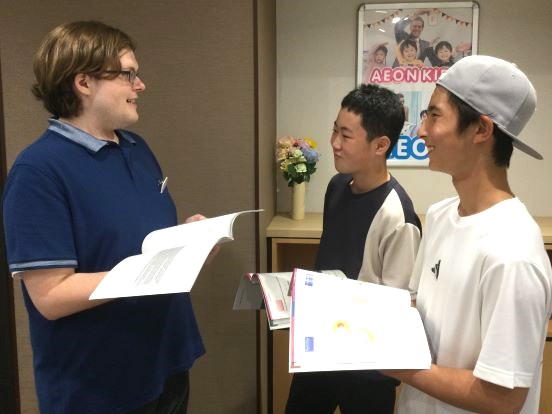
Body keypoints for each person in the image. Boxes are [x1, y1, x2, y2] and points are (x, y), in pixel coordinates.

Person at [2, 21, 213, 414]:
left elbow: (139, 239)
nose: (141, 85)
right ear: (84, 82)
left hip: (165, 359)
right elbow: (50, 296)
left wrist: (188, 244)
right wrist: (147, 272)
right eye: (128, 74)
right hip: (99, 383)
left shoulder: (135, 148)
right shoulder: (39, 171)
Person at [384, 55, 552, 413]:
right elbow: (419, 303)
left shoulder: (513, 253)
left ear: (481, 130)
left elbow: (503, 398)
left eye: (434, 115)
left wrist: (396, 363)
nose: (421, 131)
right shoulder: (441, 215)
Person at [285, 84, 422, 413]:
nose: (334, 143)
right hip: (320, 350)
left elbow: (398, 308)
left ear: (381, 145)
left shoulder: (397, 216)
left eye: (346, 135)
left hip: (367, 370)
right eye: (335, 130)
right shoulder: (337, 186)